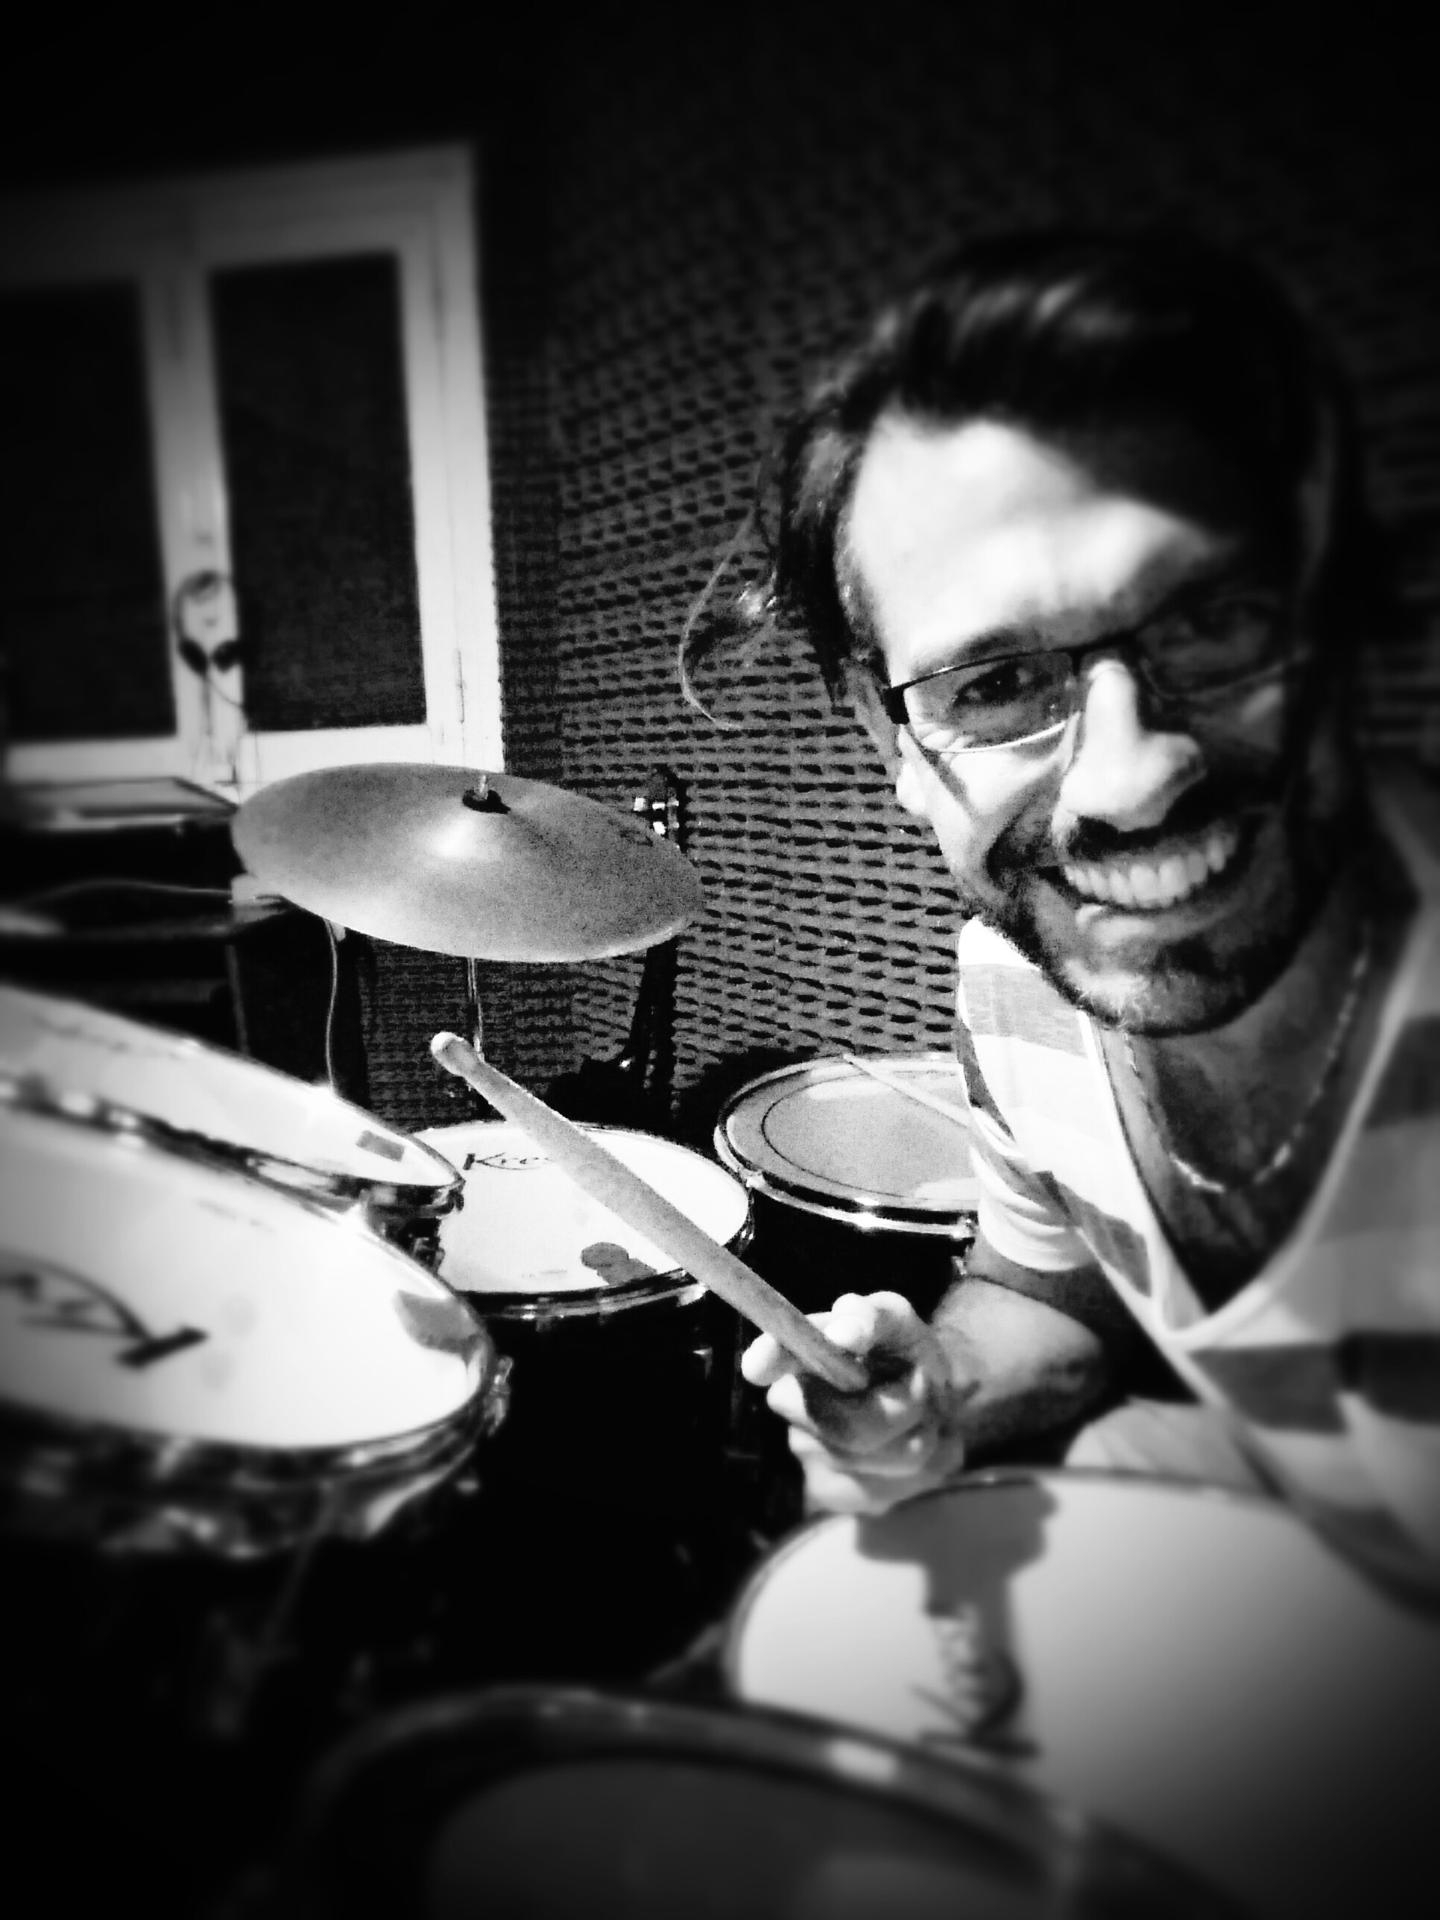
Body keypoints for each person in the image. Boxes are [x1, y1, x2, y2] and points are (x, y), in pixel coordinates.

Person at [697, 228, 1439, 1600]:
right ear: (892, 741)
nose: (1130, 777)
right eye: (995, 686)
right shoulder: (1021, 985)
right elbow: (1056, 1298)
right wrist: (936, 1387)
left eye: (1212, 621)